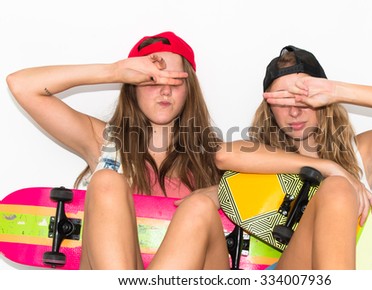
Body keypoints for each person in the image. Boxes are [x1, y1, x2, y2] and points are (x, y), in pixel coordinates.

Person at [149, 45, 372, 270]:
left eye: (304, 98)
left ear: (326, 100)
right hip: (273, 275)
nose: (295, 111)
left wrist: (338, 89)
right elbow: (223, 155)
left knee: (337, 188)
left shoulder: (361, 154)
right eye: (284, 100)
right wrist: (326, 167)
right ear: (269, 109)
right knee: (335, 184)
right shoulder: (259, 157)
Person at [6, 31, 224, 269]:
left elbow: (272, 176)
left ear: (189, 88)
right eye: (151, 79)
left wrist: (226, 190)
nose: (164, 90)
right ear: (133, 86)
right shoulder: (106, 144)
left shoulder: (218, 156)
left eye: (174, 80)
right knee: (106, 181)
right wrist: (114, 71)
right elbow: (22, 85)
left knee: (199, 207)